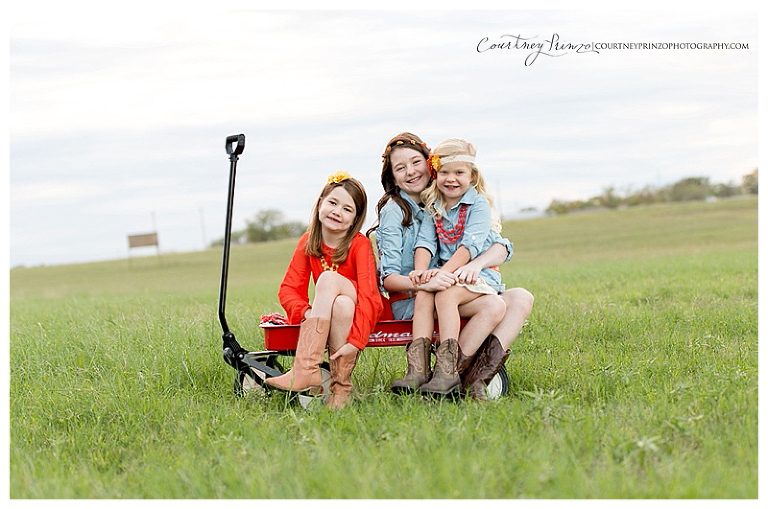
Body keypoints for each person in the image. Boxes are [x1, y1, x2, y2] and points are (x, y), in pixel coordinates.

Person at [372, 133, 534, 400]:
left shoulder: (449, 200)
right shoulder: (400, 209)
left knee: (521, 298)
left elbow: (499, 245)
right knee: (495, 305)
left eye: (416, 162)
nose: (411, 171)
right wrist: (425, 278)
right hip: (417, 295)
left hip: (448, 285)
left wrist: (477, 263)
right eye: (400, 167)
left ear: (429, 165)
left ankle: (472, 379)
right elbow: (391, 276)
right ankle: (445, 375)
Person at [265, 171, 383, 409]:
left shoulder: (359, 245)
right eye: (332, 202)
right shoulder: (309, 242)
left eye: (347, 209)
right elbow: (289, 290)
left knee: (329, 279)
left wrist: (357, 341)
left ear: (355, 220)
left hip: (363, 312)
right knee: (340, 304)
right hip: (339, 312)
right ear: (320, 204)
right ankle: (340, 390)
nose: (337, 212)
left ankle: (306, 367)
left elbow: (371, 297)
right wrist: (308, 313)